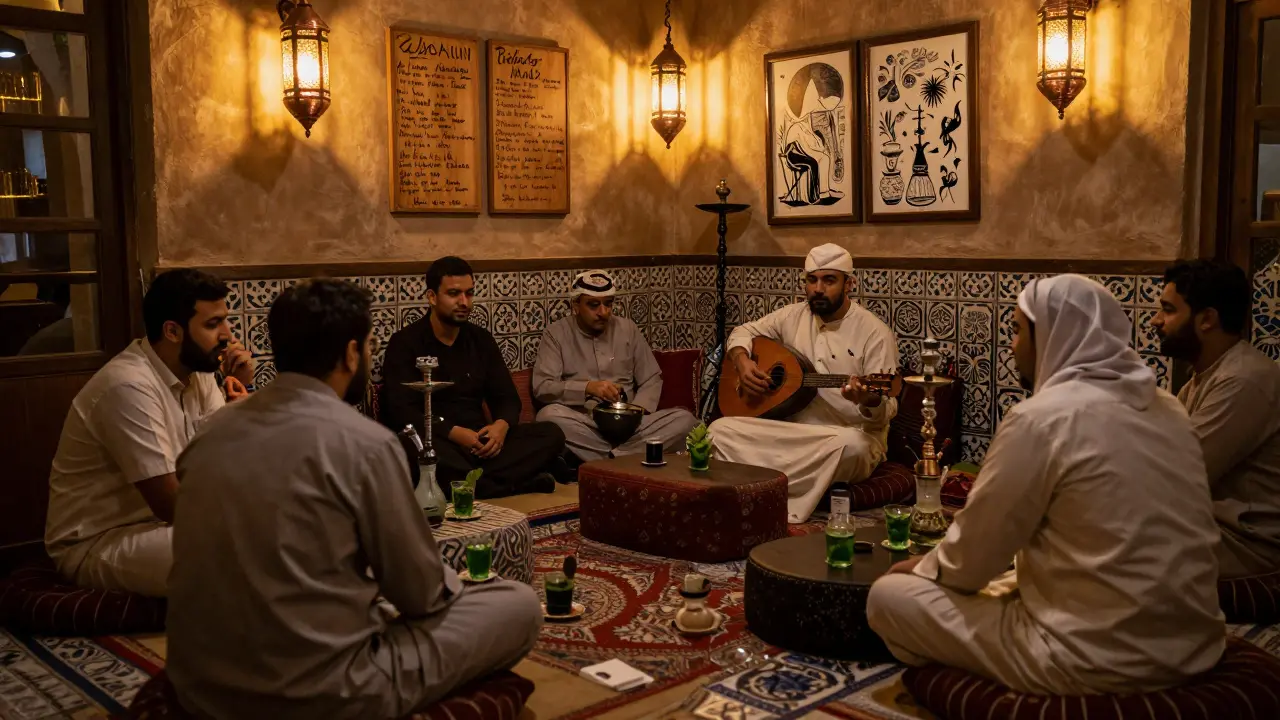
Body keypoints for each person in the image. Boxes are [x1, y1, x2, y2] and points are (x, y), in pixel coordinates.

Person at [166, 279, 542, 720]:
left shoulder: (211, 431)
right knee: (517, 605)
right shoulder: (364, 443)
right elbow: (421, 595)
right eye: (368, 346)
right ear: (350, 353)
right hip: (318, 692)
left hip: (200, 682)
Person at [867, 275, 1225, 695]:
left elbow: (971, 562)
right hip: (1196, 644)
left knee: (889, 597)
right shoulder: (1169, 407)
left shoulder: (1040, 419)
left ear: (1053, 336)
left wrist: (924, 569)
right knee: (1013, 576)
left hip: (1093, 656)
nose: (1013, 345)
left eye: (1018, 330)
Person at [43, 269, 253, 597]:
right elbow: (171, 504)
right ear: (172, 331)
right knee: (246, 553)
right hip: (101, 540)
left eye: (226, 321)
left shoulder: (199, 374)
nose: (228, 335)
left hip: (165, 527)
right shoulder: (128, 386)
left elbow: (224, 464)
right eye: (213, 324)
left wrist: (243, 410)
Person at [708, 243, 899, 523]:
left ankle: (759, 488)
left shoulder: (874, 333)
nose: (818, 289)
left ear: (849, 284)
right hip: (789, 431)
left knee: (852, 448)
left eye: (829, 280)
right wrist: (742, 360)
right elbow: (743, 331)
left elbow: (886, 410)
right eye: (812, 280)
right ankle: (786, 486)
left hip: (840, 436)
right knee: (718, 431)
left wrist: (868, 400)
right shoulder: (791, 316)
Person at [381, 256, 568, 497]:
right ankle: (511, 484)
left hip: (481, 443)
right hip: (439, 440)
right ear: (432, 297)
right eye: (454, 294)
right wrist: (455, 433)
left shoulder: (480, 340)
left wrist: (500, 427)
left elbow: (507, 399)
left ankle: (473, 485)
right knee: (410, 447)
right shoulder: (405, 342)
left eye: (469, 293)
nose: (464, 302)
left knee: (551, 434)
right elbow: (400, 411)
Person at [1151, 259, 1280, 578]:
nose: (1156, 321)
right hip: (1210, 531)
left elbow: (1176, 476)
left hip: (1247, 548)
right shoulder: (1203, 378)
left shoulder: (1243, 380)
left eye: (1168, 310)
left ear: (1207, 319)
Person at [533, 269, 698, 463]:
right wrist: (587, 388)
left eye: (608, 304)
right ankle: (625, 459)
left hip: (632, 427)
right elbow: (543, 386)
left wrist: (635, 413)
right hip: (587, 426)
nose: (603, 312)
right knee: (548, 417)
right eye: (593, 305)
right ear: (576, 305)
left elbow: (651, 378)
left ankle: (610, 459)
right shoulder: (556, 334)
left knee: (685, 421)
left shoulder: (628, 329)